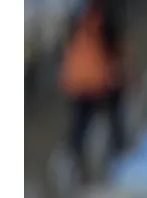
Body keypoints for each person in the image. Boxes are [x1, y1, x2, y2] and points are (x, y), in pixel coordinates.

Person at [59, 0, 127, 183]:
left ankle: (74, 164)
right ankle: (119, 159)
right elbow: (113, 52)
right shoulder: (103, 20)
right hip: (97, 79)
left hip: (75, 81)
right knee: (114, 116)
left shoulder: (75, 22)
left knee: (80, 126)